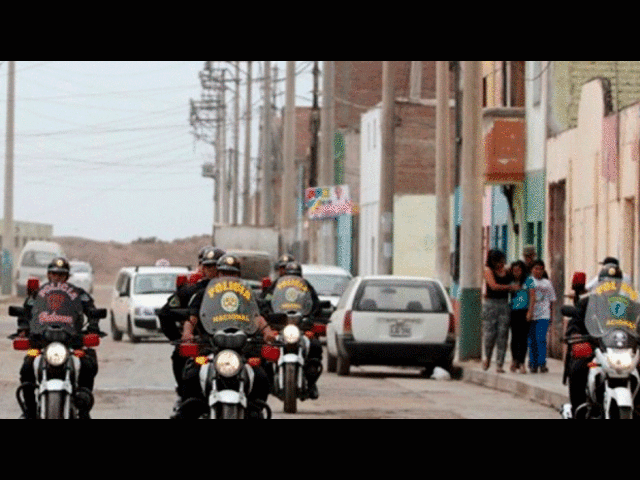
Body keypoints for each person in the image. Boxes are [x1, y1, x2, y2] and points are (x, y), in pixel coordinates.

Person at [176, 254, 278, 419]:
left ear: (238, 275)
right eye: (224, 273)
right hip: (211, 344)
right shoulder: (205, 294)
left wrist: (267, 332)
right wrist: (188, 333)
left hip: (243, 346)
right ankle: (189, 411)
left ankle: (255, 409)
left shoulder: (246, 294)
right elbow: (192, 318)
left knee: (261, 375)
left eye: (232, 273)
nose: (228, 276)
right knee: (192, 374)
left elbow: (257, 316)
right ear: (218, 274)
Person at [15, 257, 100, 419]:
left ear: (67, 277)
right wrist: (23, 329)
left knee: (87, 365)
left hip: (71, 342)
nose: (57, 277)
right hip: (42, 342)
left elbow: (92, 310)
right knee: (26, 367)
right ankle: (30, 411)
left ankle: (83, 410)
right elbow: (25, 312)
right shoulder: (38, 294)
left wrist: (93, 327)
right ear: (48, 275)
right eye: (54, 274)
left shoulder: (77, 294)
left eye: (61, 275)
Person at [564, 262, 640, 418]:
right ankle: (578, 410)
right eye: (607, 283)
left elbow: (637, 322)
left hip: (622, 350)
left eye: (615, 283)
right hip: (595, 349)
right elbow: (576, 323)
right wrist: (576, 335)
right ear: (601, 284)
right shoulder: (588, 303)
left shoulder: (628, 305)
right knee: (578, 368)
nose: (611, 286)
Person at [158, 246, 225, 418]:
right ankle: (187, 400)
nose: (214, 271)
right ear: (202, 267)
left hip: (234, 344)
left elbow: (256, 315)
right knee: (186, 366)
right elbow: (166, 314)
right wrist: (179, 338)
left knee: (260, 369)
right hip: (203, 345)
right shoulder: (192, 291)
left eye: (218, 267)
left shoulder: (238, 292)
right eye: (209, 266)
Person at [271, 261, 323, 399]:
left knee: (315, 346)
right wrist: (271, 318)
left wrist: (311, 321)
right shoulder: (275, 286)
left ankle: (311, 383)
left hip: (301, 327)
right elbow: (266, 302)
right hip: (281, 326)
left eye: (296, 275)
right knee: (265, 349)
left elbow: (316, 307)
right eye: (290, 275)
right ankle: (269, 384)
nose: (293, 278)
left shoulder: (307, 288)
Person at [482, 249, 519, 373]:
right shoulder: (488, 270)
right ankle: (487, 357)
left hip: (504, 304)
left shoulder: (507, 271)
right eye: (498, 262)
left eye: (502, 261)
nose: (500, 264)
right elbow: (493, 286)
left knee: (503, 335)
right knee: (490, 334)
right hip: (490, 304)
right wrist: (509, 287)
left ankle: (499, 363)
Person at [525, 259, 556, 373]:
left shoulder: (547, 283)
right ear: (532, 270)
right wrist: (529, 312)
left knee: (541, 339)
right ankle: (533, 363)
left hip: (544, 315)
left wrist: (551, 315)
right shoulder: (529, 281)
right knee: (532, 340)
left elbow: (552, 300)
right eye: (536, 268)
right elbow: (528, 297)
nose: (538, 271)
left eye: (541, 269)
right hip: (531, 315)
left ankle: (542, 363)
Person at [509, 260, 529, 374]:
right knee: (514, 337)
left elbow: (532, 295)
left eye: (519, 270)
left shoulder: (528, 280)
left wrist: (530, 311)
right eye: (514, 270)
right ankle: (514, 360)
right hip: (513, 311)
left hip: (524, 311)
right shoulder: (510, 281)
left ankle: (521, 362)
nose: (517, 272)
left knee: (523, 338)